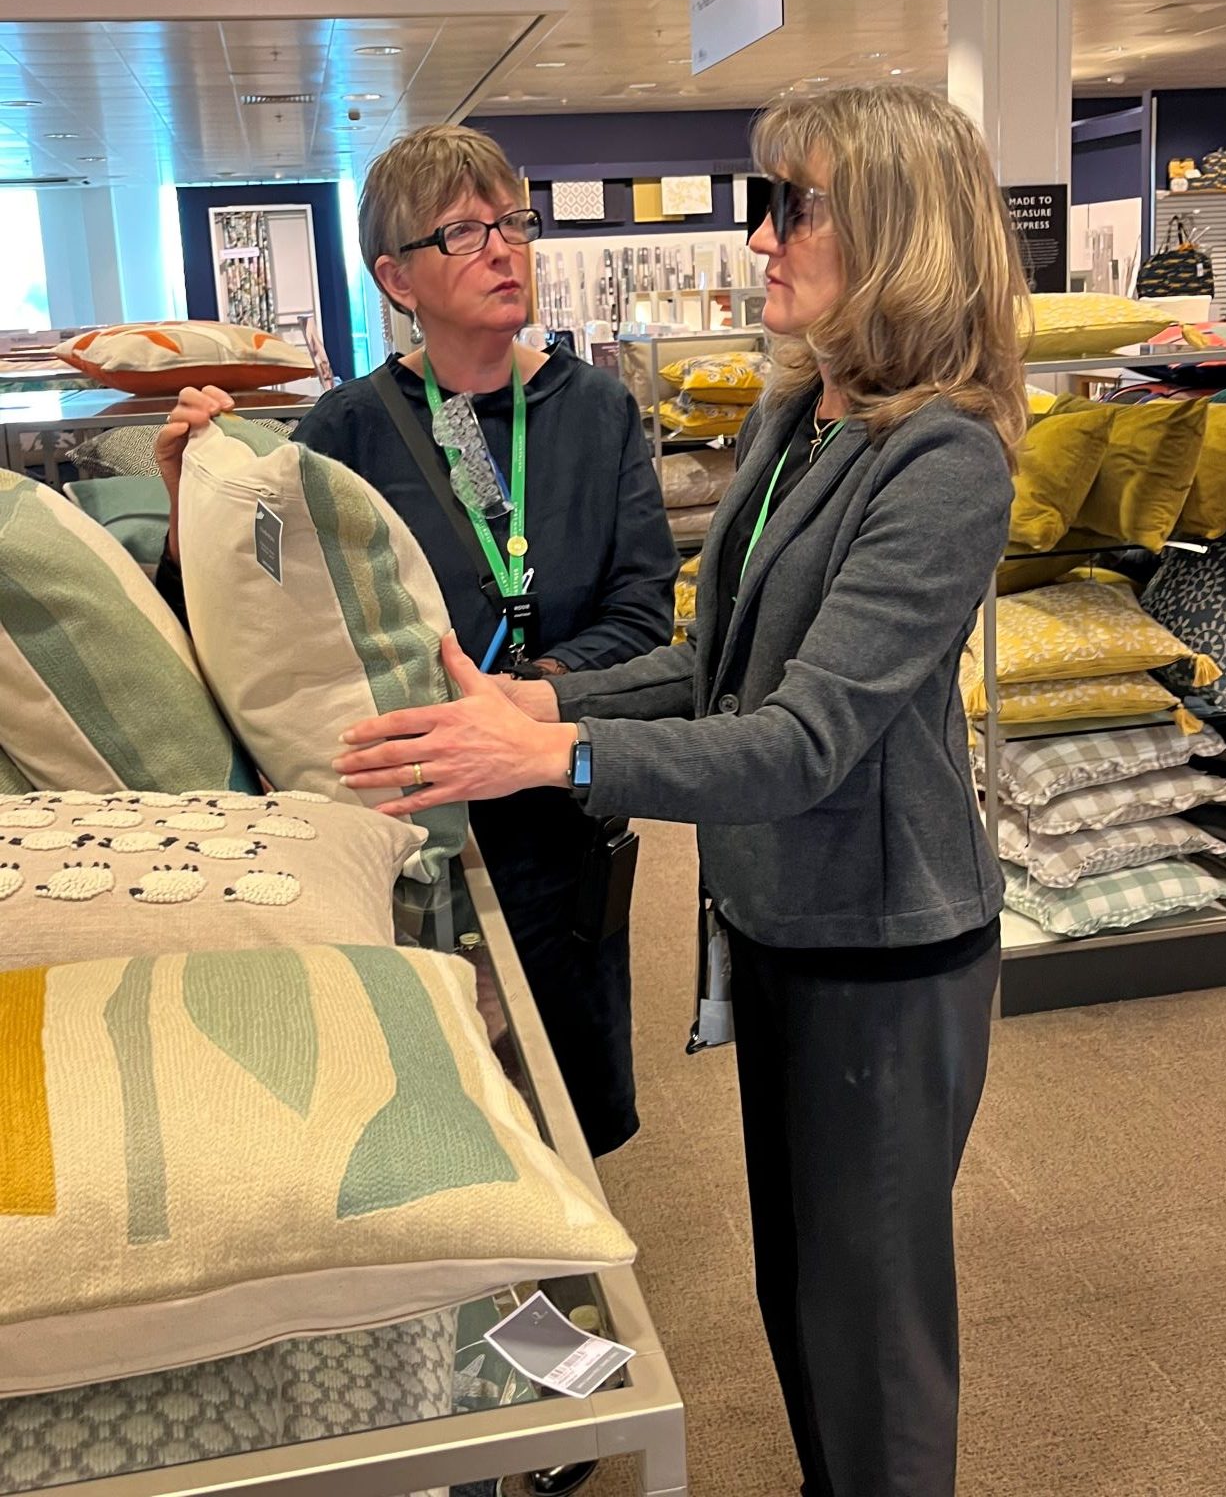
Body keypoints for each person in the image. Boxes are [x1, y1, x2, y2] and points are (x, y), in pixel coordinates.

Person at [331, 83, 1030, 1497]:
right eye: (761, 199)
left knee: (873, 1340)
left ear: (893, 232)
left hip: (883, 953)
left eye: (795, 204)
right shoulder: (800, 418)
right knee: (799, 1296)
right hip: (778, 929)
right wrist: (546, 698)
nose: (759, 235)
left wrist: (559, 753)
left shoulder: (942, 458)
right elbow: (710, 662)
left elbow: (798, 740)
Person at [155, 123, 678, 1163]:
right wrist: (189, 499)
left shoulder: (600, 409)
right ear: (395, 276)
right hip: (403, 818)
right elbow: (259, 614)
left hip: (553, 803)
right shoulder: (346, 428)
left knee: (562, 1103)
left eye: (513, 222)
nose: (503, 248)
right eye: (464, 231)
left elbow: (642, 612)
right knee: (431, 1103)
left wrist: (531, 697)